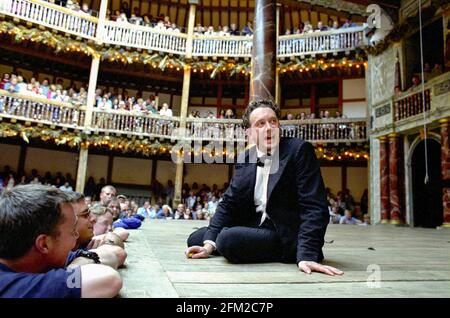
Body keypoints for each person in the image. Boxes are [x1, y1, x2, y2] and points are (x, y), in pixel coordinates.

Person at [185, 99, 343, 276]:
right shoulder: (246, 157)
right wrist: (208, 246)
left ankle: (269, 249)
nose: (269, 127)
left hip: (285, 232)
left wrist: (307, 255)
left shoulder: (299, 150)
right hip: (256, 224)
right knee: (197, 238)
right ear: (250, 134)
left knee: (227, 239)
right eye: (260, 124)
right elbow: (229, 202)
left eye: (273, 121)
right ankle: (228, 244)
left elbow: (314, 207)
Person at [0, 184, 122, 298]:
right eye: (72, 230)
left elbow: (115, 254)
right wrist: (70, 272)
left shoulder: (34, 258)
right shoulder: (12, 287)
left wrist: (74, 266)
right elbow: (110, 280)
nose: (76, 236)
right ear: (44, 244)